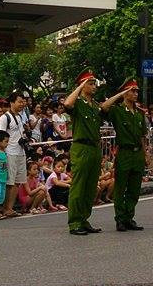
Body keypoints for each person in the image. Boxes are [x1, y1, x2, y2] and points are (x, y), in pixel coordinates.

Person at [100, 78, 146, 232]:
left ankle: (129, 217)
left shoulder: (139, 113)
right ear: (125, 93)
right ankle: (120, 218)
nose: (135, 93)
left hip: (137, 153)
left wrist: (145, 155)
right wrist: (120, 94)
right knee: (120, 188)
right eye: (132, 90)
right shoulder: (118, 110)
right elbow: (104, 107)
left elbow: (142, 137)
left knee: (134, 189)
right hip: (125, 153)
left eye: (136, 91)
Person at [63, 70, 103, 235]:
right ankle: (75, 222)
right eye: (90, 83)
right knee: (78, 186)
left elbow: (105, 108)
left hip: (94, 147)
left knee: (90, 186)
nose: (94, 87)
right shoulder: (78, 103)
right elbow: (67, 104)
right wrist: (80, 86)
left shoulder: (94, 105)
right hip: (81, 148)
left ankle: (84, 219)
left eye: (94, 83)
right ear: (82, 85)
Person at [0, 91, 28, 219]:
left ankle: (9, 208)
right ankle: (5, 208)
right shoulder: (5, 118)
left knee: (17, 182)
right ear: (12, 103)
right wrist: (2, 153)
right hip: (10, 152)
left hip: (20, 152)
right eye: (20, 101)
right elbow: (0, 135)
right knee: (9, 182)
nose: (22, 104)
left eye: (23, 101)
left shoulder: (20, 117)